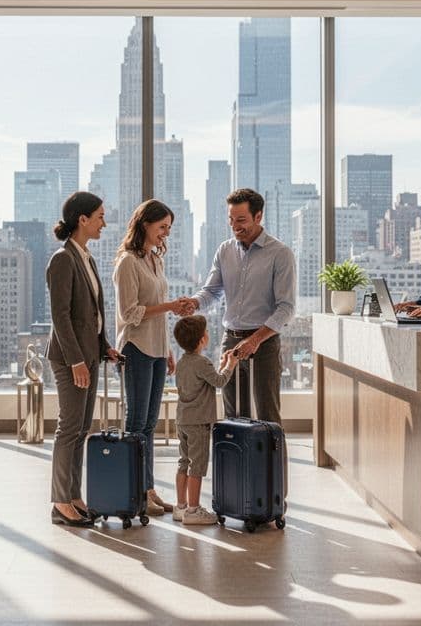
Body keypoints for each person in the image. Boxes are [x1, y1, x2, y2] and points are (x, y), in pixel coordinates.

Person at [176, 188, 296, 424]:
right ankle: (237, 461)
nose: (234, 226)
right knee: (232, 414)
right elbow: (212, 290)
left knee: (267, 414)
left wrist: (255, 340)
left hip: (264, 341)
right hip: (231, 341)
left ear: (258, 216)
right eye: (231, 220)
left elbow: (286, 308)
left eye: (241, 220)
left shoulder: (280, 254)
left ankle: (270, 462)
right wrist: (195, 302)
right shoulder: (225, 250)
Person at [112, 199, 195, 516]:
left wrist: (168, 350)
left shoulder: (155, 261)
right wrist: (172, 307)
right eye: (162, 227)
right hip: (136, 348)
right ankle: (134, 490)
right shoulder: (127, 263)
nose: (165, 234)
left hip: (157, 349)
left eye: (169, 229)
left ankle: (147, 489)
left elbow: (156, 312)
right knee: (135, 423)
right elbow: (129, 313)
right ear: (145, 224)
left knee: (149, 424)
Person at [46, 191, 121, 527]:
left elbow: (92, 313)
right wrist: (76, 360)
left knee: (82, 430)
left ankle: (74, 496)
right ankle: (60, 501)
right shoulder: (62, 260)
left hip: (90, 353)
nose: (104, 223)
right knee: (69, 428)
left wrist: (104, 345)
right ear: (83, 220)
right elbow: (60, 316)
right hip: (70, 357)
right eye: (100, 216)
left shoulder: (86, 258)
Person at [170, 314, 234, 526]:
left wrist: (222, 364)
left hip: (182, 420)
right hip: (199, 423)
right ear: (202, 340)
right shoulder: (203, 362)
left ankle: (180, 507)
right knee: (196, 466)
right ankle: (194, 510)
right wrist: (230, 364)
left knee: (183, 462)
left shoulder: (182, 363)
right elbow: (219, 380)